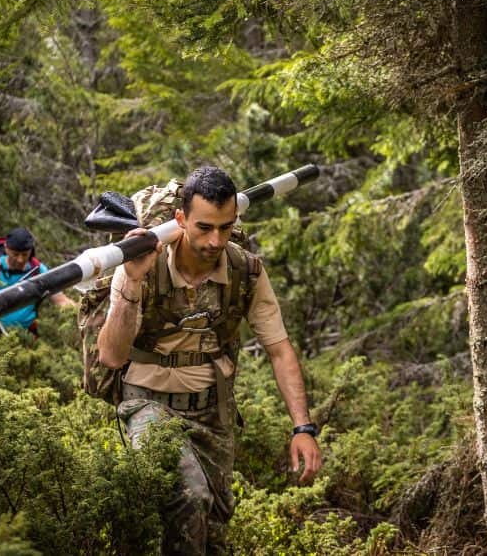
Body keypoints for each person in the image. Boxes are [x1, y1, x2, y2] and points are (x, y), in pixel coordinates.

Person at [98, 166, 322, 555]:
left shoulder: (245, 270)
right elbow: (111, 355)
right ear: (180, 219)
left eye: (225, 227)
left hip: (213, 413)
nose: (214, 240)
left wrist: (303, 427)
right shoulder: (140, 264)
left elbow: (279, 348)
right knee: (189, 496)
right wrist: (132, 282)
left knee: (213, 531)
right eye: (204, 227)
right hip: (147, 405)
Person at [0, 226, 75, 336]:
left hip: (26, 335)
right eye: (15, 254)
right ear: (6, 248)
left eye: (25, 254)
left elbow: (60, 300)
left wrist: (79, 311)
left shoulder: (38, 270)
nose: (20, 259)